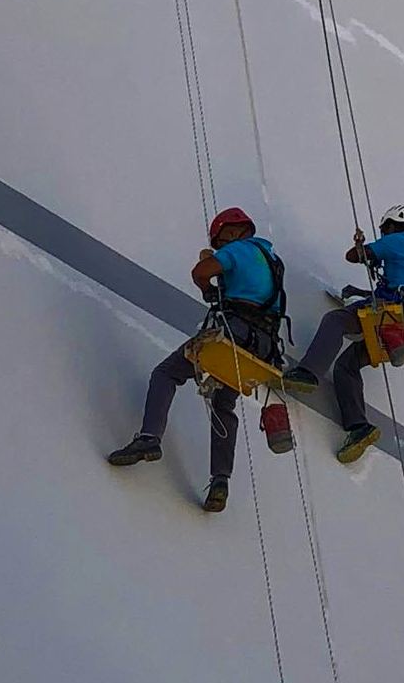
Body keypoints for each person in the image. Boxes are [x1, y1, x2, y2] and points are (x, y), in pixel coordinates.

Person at [108, 207, 285, 512]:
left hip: (234, 334)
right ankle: (220, 480)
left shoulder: (239, 250)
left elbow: (200, 273)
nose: (221, 246)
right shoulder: (271, 259)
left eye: (221, 240)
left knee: (166, 373)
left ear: (232, 231)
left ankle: (149, 437)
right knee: (223, 404)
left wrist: (208, 288)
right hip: (263, 347)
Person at [283, 204, 404, 463]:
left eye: (384, 229)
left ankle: (308, 373)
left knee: (336, 320)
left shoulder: (397, 240)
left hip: (389, 310)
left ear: (391, 225)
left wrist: (362, 246)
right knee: (347, 365)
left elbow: (355, 256)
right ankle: (358, 427)